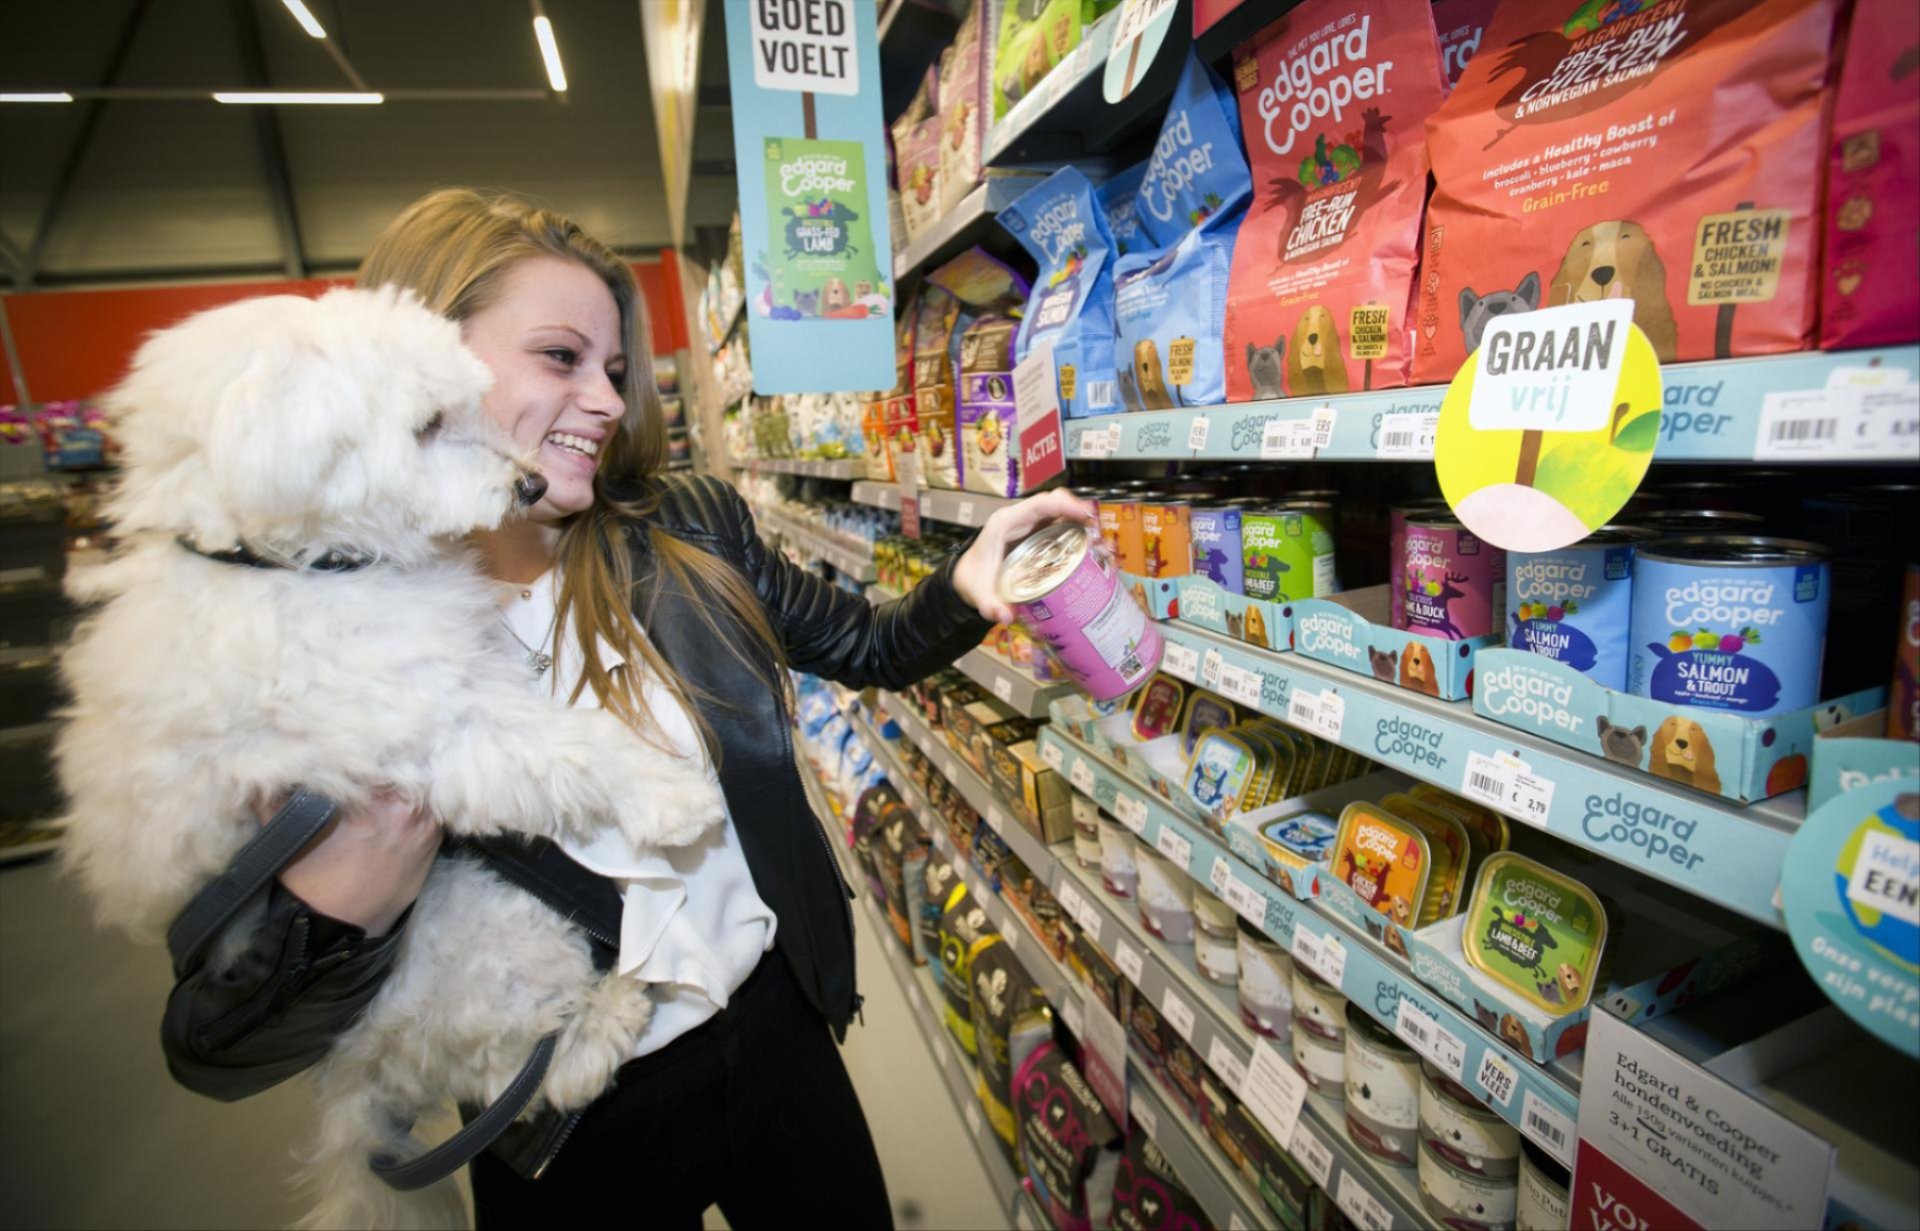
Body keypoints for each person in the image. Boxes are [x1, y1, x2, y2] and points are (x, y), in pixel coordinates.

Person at [159, 187, 1093, 1227]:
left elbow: (861, 644)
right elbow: (216, 1037)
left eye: (613, 367)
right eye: (560, 357)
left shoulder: (688, 527)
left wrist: (967, 580)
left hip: (777, 1031)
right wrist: (342, 913)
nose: (606, 400)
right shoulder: (336, 638)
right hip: (567, 1121)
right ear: (419, 360)